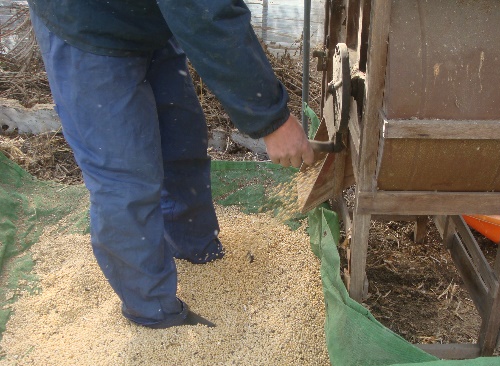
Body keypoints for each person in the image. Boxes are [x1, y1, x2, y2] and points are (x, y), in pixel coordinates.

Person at [27, 0, 315, 328]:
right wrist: (272, 120)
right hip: (86, 25)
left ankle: (194, 246)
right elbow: (209, 15)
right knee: (126, 180)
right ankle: (153, 312)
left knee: (182, 141)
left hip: (145, 19)